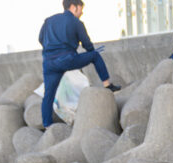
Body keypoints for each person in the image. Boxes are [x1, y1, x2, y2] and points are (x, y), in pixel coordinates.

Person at [38, 0, 119, 128]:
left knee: (49, 94)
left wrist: (52, 50)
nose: (82, 12)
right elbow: (87, 44)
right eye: (81, 8)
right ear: (74, 7)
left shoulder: (48, 21)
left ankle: (47, 124)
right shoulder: (76, 22)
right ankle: (108, 85)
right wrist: (92, 52)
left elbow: (41, 39)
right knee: (95, 56)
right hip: (67, 59)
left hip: (49, 63)